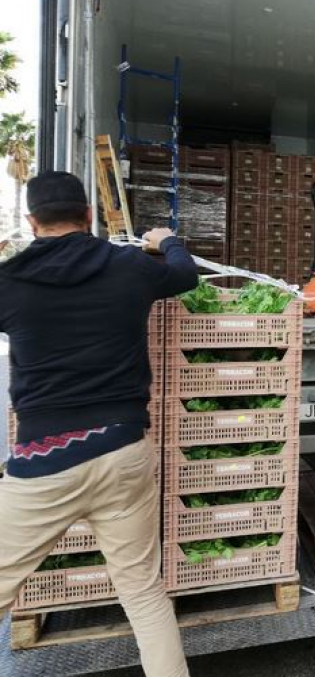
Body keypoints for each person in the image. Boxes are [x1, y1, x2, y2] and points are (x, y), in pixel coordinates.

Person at [0, 171, 198, 677]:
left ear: (31, 221)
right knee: (144, 593)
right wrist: (165, 240)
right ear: (88, 216)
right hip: (124, 450)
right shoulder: (128, 265)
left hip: (45, 465)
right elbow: (184, 274)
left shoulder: (10, 280)